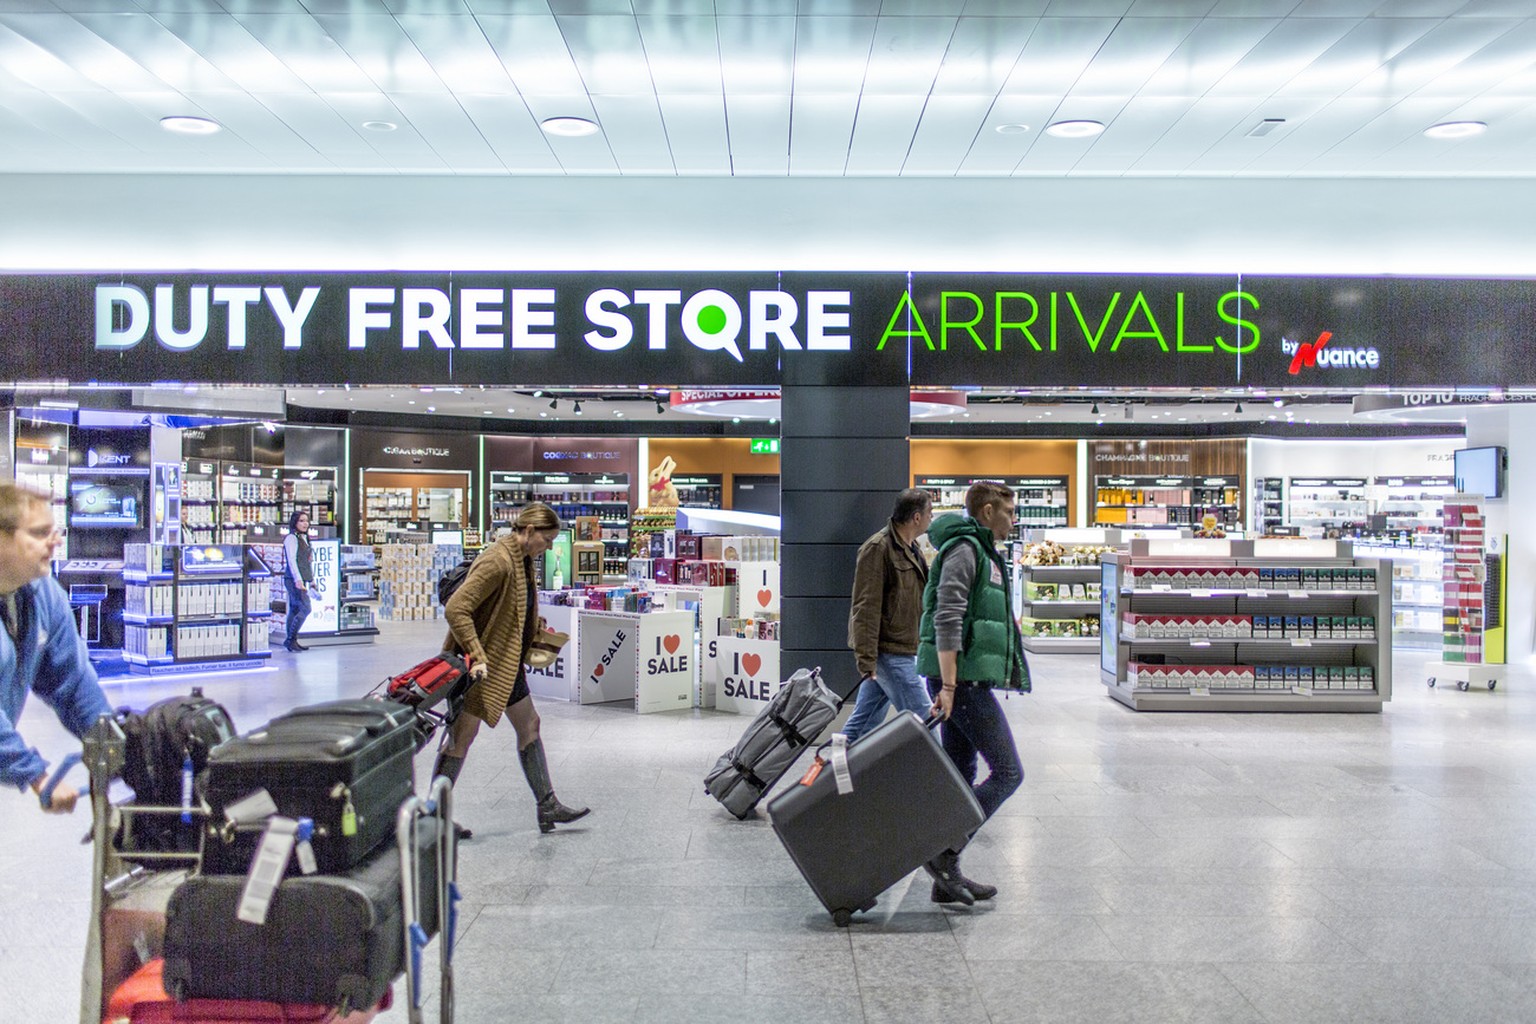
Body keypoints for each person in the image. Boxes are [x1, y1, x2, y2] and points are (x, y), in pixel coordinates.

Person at [433, 502, 588, 838]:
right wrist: (477, 653)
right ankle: (433, 817)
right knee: (461, 738)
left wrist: (533, 625)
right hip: (481, 668)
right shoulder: (498, 560)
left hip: (506, 662)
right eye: (546, 540)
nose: (548, 548)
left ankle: (547, 804)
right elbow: (457, 608)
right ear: (529, 531)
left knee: (530, 724)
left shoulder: (522, 560)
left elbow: (512, 605)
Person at [916, 481, 1028, 906]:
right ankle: (944, 853)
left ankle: (946, 879)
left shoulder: (981, 550)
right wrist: (946, 686)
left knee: (962, 778)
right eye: (1009, 512)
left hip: (962, 681)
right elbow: (948, 617)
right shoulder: (965, 550)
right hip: (958, 684)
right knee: (1008, 772)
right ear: (986, 512)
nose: (1013, 520)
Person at [0, 483, 113, 814]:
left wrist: (110, 743)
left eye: (55, 530)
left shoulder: (42, 595)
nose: (56, 541)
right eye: (39, 533)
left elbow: (72, 682)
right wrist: (35, 774)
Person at [842, 488, 934, 741]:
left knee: (862, 724)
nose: (931, 518)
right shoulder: (877, 548)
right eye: (930, 513)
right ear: (916, 517)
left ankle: (831, 772)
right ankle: (944, 779)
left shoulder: (911, 548)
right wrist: (866, 658)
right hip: (889, 653)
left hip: (900, 648)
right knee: (925, 722)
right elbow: (865, 607)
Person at [282, 510, 320, 652]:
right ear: (295, 523)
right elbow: (292, 560)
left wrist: (312, 580)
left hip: (303, 579)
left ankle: (293, 640)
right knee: (306, 608)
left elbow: (307, 562)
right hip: (293, 579)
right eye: (301, 521)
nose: (305, 524)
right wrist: (298, 579)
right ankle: (290, 639)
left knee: (295, 609)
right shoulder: (291, 538)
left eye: (306, 520)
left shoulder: (304, 538)